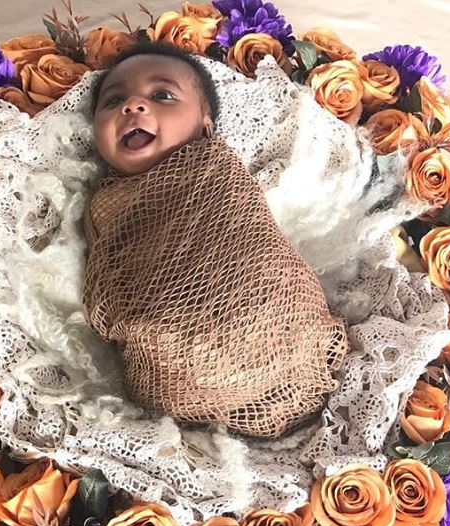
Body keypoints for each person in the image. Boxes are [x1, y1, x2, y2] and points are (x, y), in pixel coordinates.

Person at [82, 42, 348, 438]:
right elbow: (106, 281)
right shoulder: (104, 204)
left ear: (205, 126)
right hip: (176, 360)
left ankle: (265, 370)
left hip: (272, 315)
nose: (133, 106)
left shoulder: (216, 167)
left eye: (162, 95)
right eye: (113, 101)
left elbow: (258, 239)